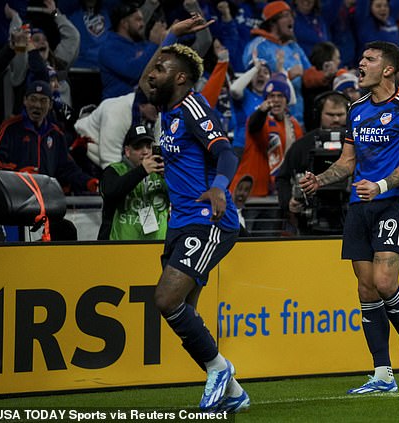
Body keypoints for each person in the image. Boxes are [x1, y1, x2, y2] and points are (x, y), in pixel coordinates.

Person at [300, 41, 399, 393]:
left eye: (369, 60)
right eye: (362, 59)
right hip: (359, 204)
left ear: (387, 69)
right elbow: (347, 162)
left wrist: (382, 185)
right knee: (367, 289)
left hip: (394, 201)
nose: (361, 64)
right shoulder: (356, 109)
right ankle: (382, 373)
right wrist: (319, 180)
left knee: (386, 283)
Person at [141, 16, 249, 413]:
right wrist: (170, 35)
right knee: (187, 313)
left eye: (162, 68)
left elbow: (225, 151)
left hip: (209, 220)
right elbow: (143, 82)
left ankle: (219, 370)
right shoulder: (167, 107)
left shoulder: (191, 105)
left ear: (183, 78)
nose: (153, 74)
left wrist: (220, 185)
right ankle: (235, 392)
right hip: (182, 221)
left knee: (167, 300)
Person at [0, 80, 99, 195]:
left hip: (46, 199)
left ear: (50, 105)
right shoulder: (9, 128)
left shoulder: (56, 134)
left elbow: (67, 168)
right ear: (25, 101)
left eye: (43, 100)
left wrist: (87, 182)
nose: (37, 105)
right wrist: (18, 174)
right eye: (33, 99)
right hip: (14, 196)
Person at [277, 90, 350, 235]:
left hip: (350, 217)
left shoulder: (358, 143)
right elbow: (282, 177)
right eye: (330, 115)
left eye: (340, 115)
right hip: (310, 222)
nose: (336, 119)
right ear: (319, 114)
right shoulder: (302, 146)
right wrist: (288, 202)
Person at [232, 74, 304, 197]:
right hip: (250, 190)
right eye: (271, 96)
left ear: (286, 100)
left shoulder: (294, 125)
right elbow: (254, 126)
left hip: (278, 191)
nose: (275, 100)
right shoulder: (260, 119)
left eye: (280, 96)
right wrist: (261, 111)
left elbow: (298, 156)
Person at [98, 124, 168, 240]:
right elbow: (110, 192)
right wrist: (142, 171)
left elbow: (188, 195)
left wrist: (170, 176)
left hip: (158, 245)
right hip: (119, 245)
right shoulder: (114, 170)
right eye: (138, 147)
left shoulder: (162, 171)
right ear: (127, 151)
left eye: (148, 146)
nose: (145, 151)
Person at [98, 1, 166, 99]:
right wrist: (154, 44)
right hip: (116, 105)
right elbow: (134, 72)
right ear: (124, 23)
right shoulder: (108, 48)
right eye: (138, 20)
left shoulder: (142, 44)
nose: (143, 24)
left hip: (142, 105)